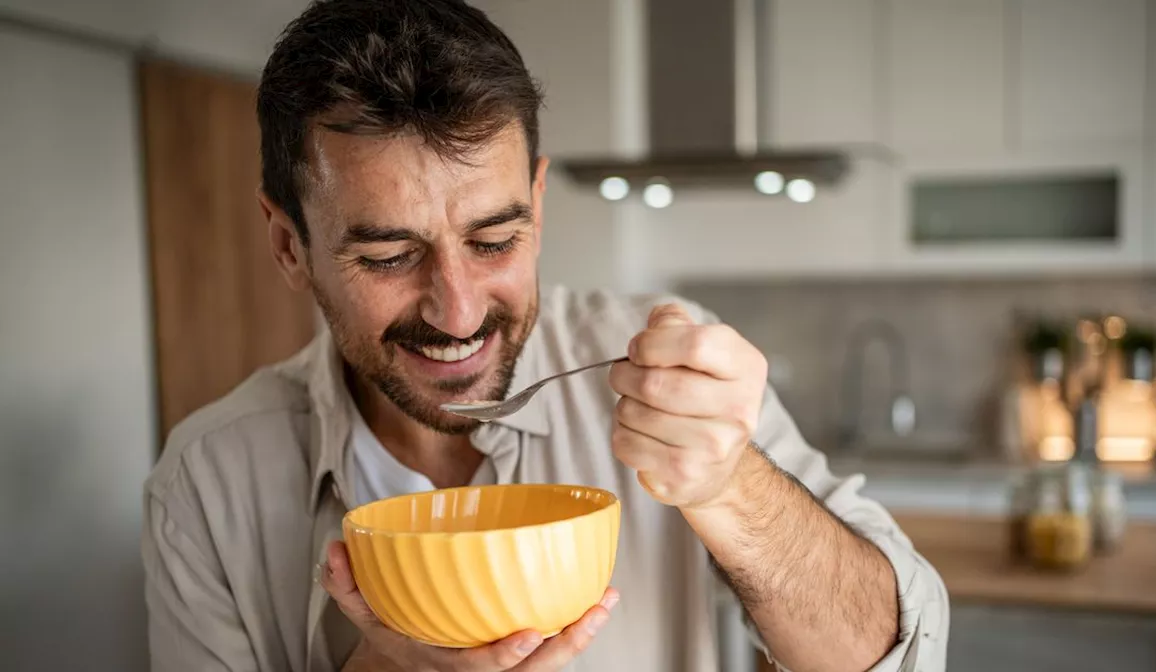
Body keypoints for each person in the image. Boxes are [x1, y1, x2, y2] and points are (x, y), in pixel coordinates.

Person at [140, 1, 949, 670]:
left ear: (537, 197)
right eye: (389, 255)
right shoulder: (209, 485)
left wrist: (732, 485)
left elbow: (899, 653)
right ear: (288, 245)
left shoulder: (666, 367)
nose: (457, 313)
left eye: (495, 242)